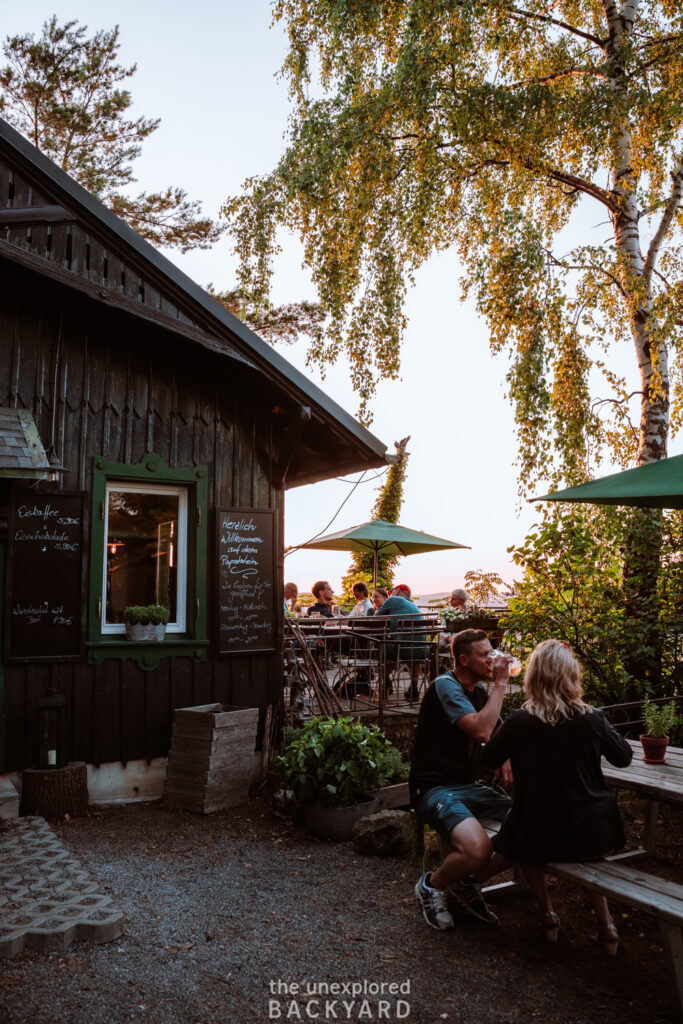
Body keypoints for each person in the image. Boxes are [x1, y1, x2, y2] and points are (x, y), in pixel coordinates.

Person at [482, 639, 632, 952]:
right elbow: (624, 757)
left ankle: (547, 914)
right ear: (571, 675)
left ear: (533, 677)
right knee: (547, 827)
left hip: (539, 831)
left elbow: (486, 759)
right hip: (591, 831)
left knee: (523, 830)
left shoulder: (519, 721)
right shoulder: (592, 718)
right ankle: (606, 924)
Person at [411, 628, 512, 930]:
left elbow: (497, 730)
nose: (492, 659)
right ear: (464, 660)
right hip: (434, 788)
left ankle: (466, 882)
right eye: (485, 654)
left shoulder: (479, 692)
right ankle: (432, 884)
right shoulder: (446, 686)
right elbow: (481, 730)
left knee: (529, 827)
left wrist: (506, 757)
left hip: (468, 787)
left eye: (492, 652)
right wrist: (502, 684)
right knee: (478, 849)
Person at [379, 584, 427, 698]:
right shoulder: (414, 606)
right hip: (423, 650)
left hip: (399, 650)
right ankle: (414, 685)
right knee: (414, 647)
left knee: (379, 646)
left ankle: (386, 680)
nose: (389, 595)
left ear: (397, 591)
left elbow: (374, 619)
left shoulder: (393, 599)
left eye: (391, 592)